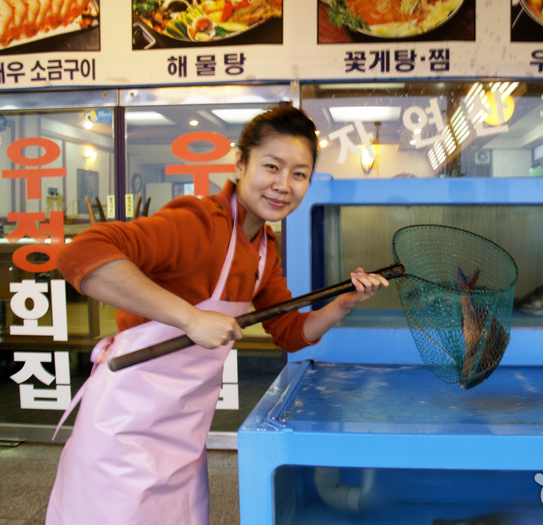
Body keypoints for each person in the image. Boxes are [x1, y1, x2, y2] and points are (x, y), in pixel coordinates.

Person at [45, 105, 390, 525]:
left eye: (299, 174)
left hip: (183, 435)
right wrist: (189, 318)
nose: (284, 186)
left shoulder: (263, 247)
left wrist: (343, 304)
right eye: (272, 167)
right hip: (124, 426)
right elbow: (81, 254)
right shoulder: (197, 222)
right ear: (240, 164)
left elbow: (288, 332)